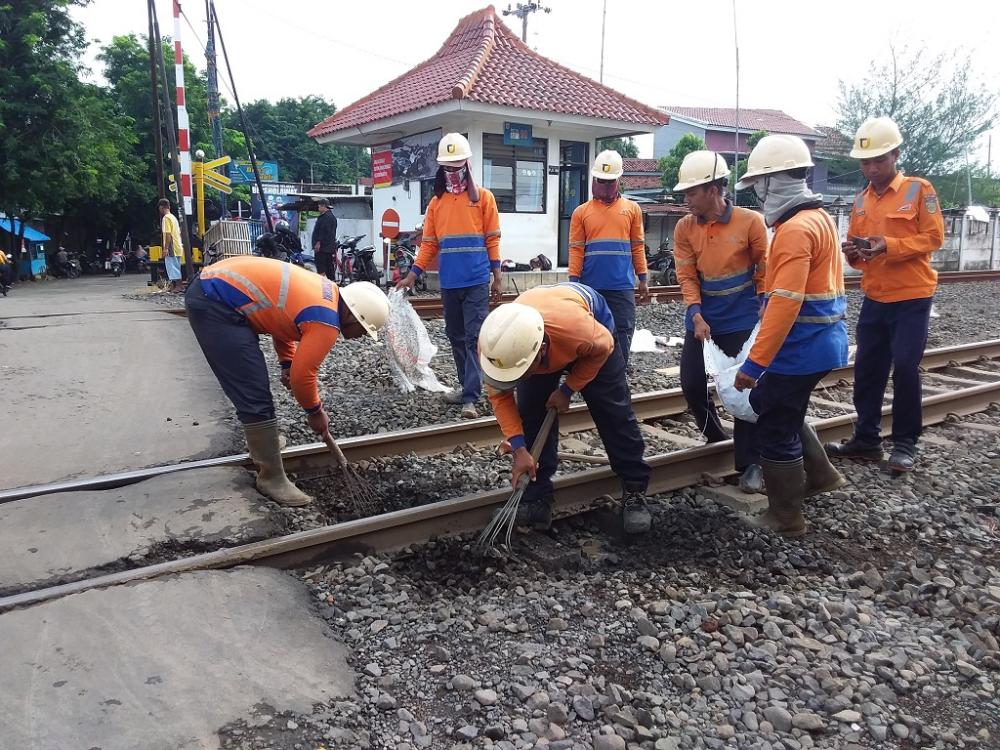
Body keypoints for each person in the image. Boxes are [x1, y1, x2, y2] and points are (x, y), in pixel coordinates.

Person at [185, 256, 389, 506]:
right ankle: (271, 477)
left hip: (213, 286)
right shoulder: (326, 322)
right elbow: (303, 377)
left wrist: (287, 363)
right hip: (215, 301)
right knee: (253, 390)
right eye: (364, 331)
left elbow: (281, 319)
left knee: (255, 384)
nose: (360, 337)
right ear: (354, 317)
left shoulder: (325, 293)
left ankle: (265, 445)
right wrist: (315, 412)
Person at [732, 135, 849, 537]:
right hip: (824, 342)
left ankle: (785, 518)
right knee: (779, 406)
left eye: (758, 185)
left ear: (772, 181)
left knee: (775, 426)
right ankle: (820, 474)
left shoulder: (794, 230)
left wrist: (753, 365)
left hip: (800, 349)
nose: (758, 194)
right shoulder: (819, 218)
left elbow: (785, 304)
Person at [478, 282, 652, 534]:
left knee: (613, 410)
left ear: (540, 353)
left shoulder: (580, 332)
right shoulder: (495, 349)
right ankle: (537, 499)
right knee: (532, 412)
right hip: (539, 327)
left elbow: (604, 347)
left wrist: (567, 390)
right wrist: (519, 448)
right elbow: (500, 398)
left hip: (589, 328)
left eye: (522, 374)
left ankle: (635, 488)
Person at [824, 117, 945, 473]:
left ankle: (905, 443)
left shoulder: (918, 190)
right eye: (865, 162)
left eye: (879, 160)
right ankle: (866, 439)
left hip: (912, 297)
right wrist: (854, 253)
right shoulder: (861, 200)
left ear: (895, 155)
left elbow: (933, 238)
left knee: (905, 368)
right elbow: (861, 256)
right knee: (868, 369)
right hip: (875, 297)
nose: (872, 168)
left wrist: (888, 245)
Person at [673, 150, 769, 493]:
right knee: (692, 384)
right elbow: (686, 275)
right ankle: (714, 436)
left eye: (691, 192)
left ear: (713, 189)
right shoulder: (685, 227)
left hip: (742, 320)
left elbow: (765, 267)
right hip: (703, 321)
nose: (686, 199)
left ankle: (750, 464)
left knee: (745, 390)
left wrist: (764, 303)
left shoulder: (750, 222)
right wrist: (695, 314)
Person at [397, 133, 503, 419]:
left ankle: (470, 397)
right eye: (448, 167)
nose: (453, 172)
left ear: (467, 165)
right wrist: (412, 275)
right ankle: (466, 386)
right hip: (450, 281)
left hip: (476, 280)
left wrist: (497, 275)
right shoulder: (436, 204)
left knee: (473, 338)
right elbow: (429, 244)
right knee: (455, 335)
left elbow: (492, 239)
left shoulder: (484, 199)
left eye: (457, 167)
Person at [568, 149, 649, 367]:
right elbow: (576, 249)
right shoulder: (581, 213)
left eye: (609, 182)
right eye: (600, 181)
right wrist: (573, 283)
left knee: (622, 329)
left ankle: (619, 370)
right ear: (593, 180)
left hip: (621, 286)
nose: (604, 186)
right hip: (590, 286)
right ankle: (593, 372)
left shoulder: (632, 210)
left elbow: (637, 245)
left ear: (618, 181)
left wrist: (643, 278)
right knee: (590, 331)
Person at [158, 198, 185, 292]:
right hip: (177, 244)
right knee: (176, 266)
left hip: (171, 246)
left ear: (161, 207)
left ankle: (178, 286)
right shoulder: (173, 217)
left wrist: (165, 248)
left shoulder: (166, 218)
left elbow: (168, 234)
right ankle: (176, 285)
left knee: (172, 266)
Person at [311, 198, 339, 281]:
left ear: (323, 206)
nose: (318, 208)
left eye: (319, 207)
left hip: (322, 248)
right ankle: (332, 283)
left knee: (321, 267)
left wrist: (318, 243)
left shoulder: (326, 218)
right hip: (328, 248)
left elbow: (323, 232)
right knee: (329, 267)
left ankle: (321, 284)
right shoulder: (331, 217)